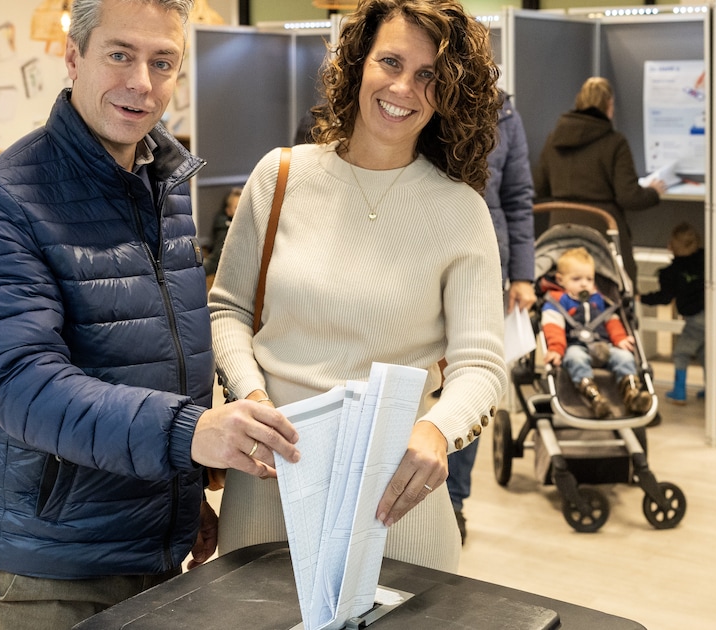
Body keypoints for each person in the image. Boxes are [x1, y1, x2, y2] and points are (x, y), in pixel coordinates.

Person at [0, 1, 300, 628]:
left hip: (156, 545)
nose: (141, 81)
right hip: (50, 567)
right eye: (120, 54)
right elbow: (24, 387)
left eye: (162, 61)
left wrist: (180, 500)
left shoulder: (165, 186)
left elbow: (158, 355)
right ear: (74, 56)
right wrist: (190, 433)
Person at [209, 0, 505, 573]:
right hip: (270, 480)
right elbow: (228, 311)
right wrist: (251, 398)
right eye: (390, 62)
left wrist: (437, 430)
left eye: (429, 76)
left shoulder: (460, 210)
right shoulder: (280, 177)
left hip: (397, 496)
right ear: (357, 65)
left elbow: (481, 365)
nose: (404, 87)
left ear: (449, 94)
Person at [446, 88, 535, 545]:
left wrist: (523, 273)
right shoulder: (421, 99)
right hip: (421, 257)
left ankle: (453, 502)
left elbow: (518, 196)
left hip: (488, 265)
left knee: (471, 386)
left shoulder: (505, 114)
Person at [533, 76, 667, 290]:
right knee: (610, 295)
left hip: (560, 229)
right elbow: (628, 196)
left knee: (564, 295)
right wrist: (653, 192)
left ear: (579, 102)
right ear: (609, 105)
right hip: (603, 230)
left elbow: (539, 187)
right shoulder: (615, 142)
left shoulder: (554, 139)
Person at [541, 248, 652, 418]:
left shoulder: (600, 299)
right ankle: (594, 398)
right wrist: (556, 348)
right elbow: (553, 327)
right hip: (575, 346)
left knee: (625, 357)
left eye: (589, 279)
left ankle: (632, 394)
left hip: (603, 346)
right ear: (560, 279)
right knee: (575, 358)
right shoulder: (558, 301)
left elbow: (612, 321)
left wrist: (620, 339)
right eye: (576, 279)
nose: (584, 284)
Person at [640, 222, 716, 403]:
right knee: (706, 354)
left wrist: (641, 298)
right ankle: (712, 391)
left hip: (697, 319)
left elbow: (665, 297)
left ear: (671, 246)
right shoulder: (707, 259)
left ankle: (679, 391)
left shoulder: (671, 272)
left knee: (681, 353)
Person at [203, 186, 242, 276]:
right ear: (228, 211)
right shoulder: (225, 232)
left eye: (243, 207)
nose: (241, 211)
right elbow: (216, 259)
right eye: (236, 207)